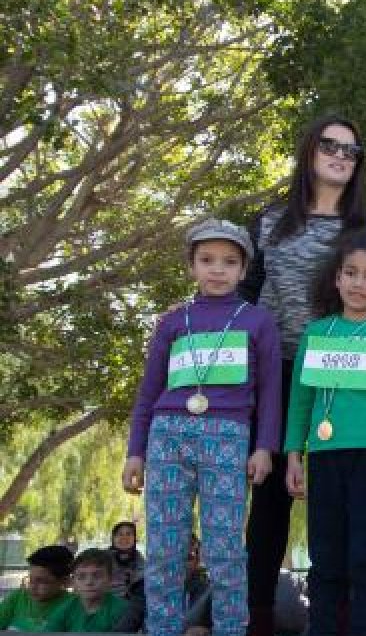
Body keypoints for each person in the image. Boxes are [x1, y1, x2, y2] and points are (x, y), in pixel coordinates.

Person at [239, 114, 366, 636]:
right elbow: (247, 295)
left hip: (346, 387)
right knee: (270, 502)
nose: (341, 155)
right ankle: (260, 618)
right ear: (310, 152)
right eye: (330, 146)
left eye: (351, 150)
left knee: (355, 524)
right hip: (279, 375)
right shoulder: (271, 221)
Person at [121, 218, 280, 636]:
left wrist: (264, 446)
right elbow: (148, 390)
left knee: (226, 549)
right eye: (206, 260)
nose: (217, 269)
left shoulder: (258, 321)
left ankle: (230, 629)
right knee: (164, 550)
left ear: (244, 270)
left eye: (229, 262)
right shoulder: (173, 322)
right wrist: (135, 450)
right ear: (192, 266)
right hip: (167, 436)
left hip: (228, 439)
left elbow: (269, 393)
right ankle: (162, 629)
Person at [284, 230, 366, 635]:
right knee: (325, 556)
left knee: (364, 556)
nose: (359, 283)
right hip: (324, 456)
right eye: (351, 273)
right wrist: (294, 455)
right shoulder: (316, 333)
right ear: (337, 279)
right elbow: (301, 400)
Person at [43, 548, 129, 632]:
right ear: (73, 581)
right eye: (81, 577)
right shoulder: (65, 609)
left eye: (97, 576)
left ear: (110, 579)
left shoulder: (122, 610)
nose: (89, 582)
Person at [0, 544, 74, 630]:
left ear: (65, 582)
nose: (32, 587)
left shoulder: (73, 606)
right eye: (30, 580)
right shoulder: (18, 597)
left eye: (41, 581)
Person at [109, 521, 146, 599]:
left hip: (131, 605)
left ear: (134, 539)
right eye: (120, 534)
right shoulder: (103, 558)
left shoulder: (140, 560)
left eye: (128, 534)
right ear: (113, 538)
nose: (124, 538)